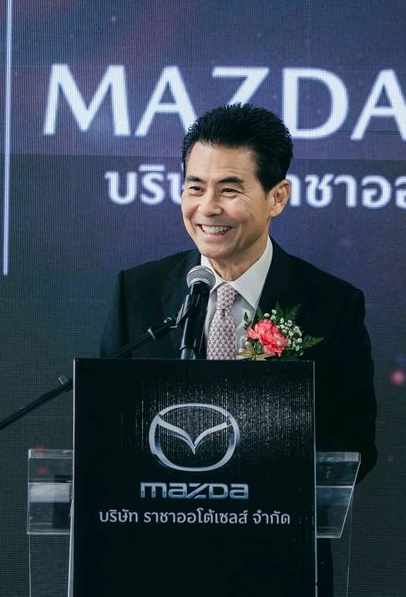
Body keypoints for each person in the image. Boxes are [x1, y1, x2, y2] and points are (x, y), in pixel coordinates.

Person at [100, 103, 376, 481]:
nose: (208, 208)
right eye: (195, 188)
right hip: (158, 512)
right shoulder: (137, 293)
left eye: (229, 190)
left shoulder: (332, 306)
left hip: (273, 513)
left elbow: (353, 447)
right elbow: (106, 426)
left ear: (277, 198)